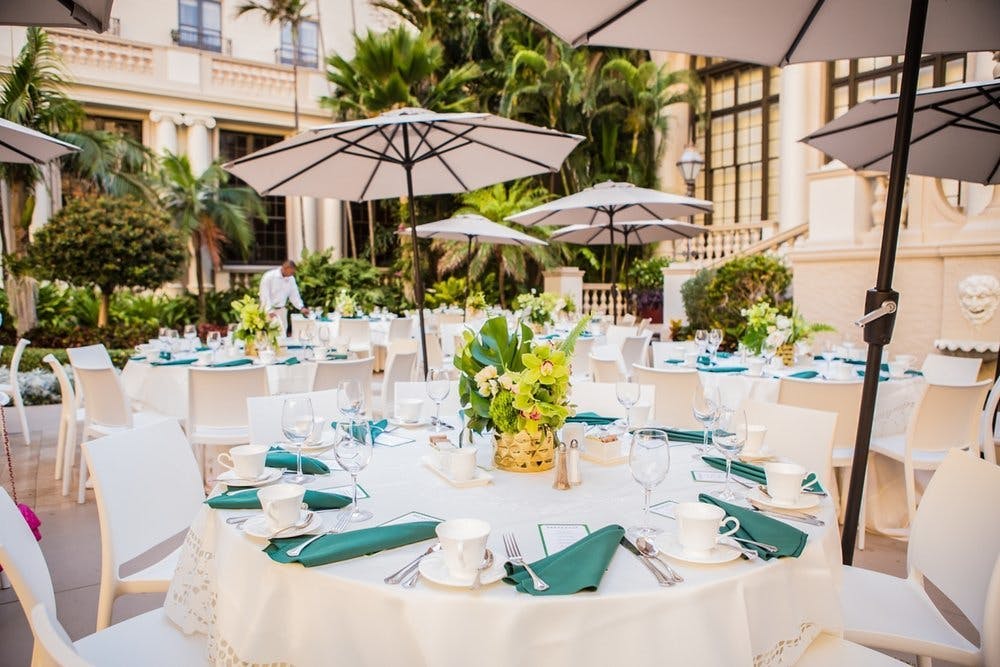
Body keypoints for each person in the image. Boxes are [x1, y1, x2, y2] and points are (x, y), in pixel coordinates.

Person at [259, 260, 310, 335]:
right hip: (268, 312)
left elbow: (294, 295)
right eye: (291, 272)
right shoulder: (269, 276)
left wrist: (301, 307)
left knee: (283, 335)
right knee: (269, 335)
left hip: (282, 311)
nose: (293, 274)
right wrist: (269, 311)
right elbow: (264, 295)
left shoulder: (291, 279)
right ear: (286, 268)